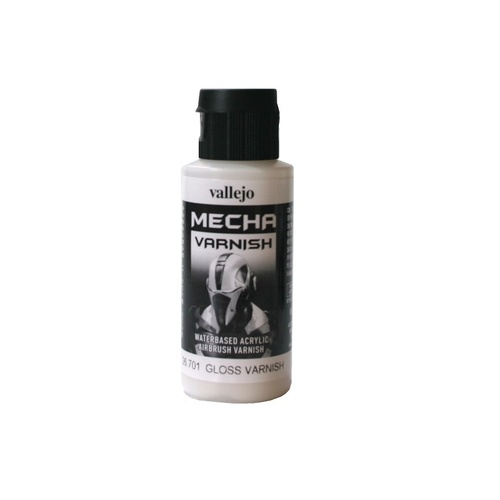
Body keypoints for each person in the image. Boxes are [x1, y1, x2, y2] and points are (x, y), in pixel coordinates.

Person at [190, 253, 273, 357]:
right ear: (252, 284)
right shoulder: (200, 320)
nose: (222, 309)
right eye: (219, 299)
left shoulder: (262, 323)